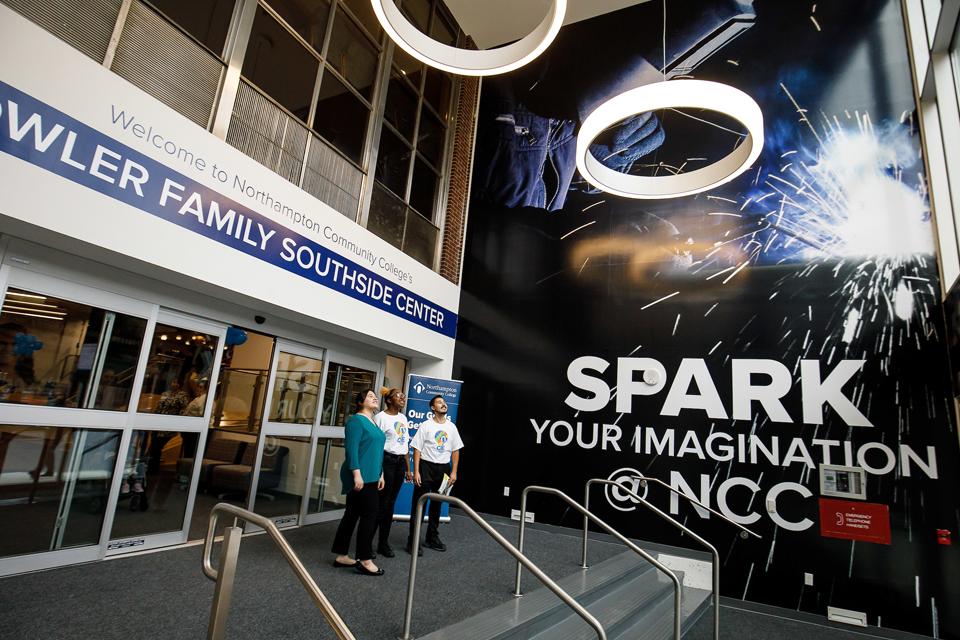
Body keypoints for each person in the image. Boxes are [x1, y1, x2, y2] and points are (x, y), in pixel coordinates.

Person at [331, 388, 386, 576]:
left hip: (372, 475)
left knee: (352, 514)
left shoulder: (373, 422)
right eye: (370, 396)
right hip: (361, 476)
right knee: (370, 515)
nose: (375, 398)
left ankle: (341, 556)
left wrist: (381, 473)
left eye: (375, 396)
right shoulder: (356, 421)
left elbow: (376, 451)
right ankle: (365, 559)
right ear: (361, 402)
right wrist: (356, 474)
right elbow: (351, 450)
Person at [407, 395, 463, 554]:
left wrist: (454, 471)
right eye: (439, 402)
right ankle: (413, 540)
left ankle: (432, 537)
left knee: (437, 504)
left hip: (444, 470)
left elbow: (455, 450)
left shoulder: (451, 427)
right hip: (426, 467)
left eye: (444, 402)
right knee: (419, 505)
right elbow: (416, 448)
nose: (443, 404)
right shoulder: (426, 425)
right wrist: (416, 471)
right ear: (433, 408)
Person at [371, 388, 411, 558]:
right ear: (388, 400)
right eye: (398, 396)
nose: (402, 398)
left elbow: (405, 445)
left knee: (391, 504)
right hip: (386, 461)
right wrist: (379, 469)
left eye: (403, 396)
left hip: (400, 462)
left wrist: (409, 469)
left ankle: (383, 544)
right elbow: (376, 445)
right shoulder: (380, 417)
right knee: (383, 504)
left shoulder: (403, 418)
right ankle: (366, 543)